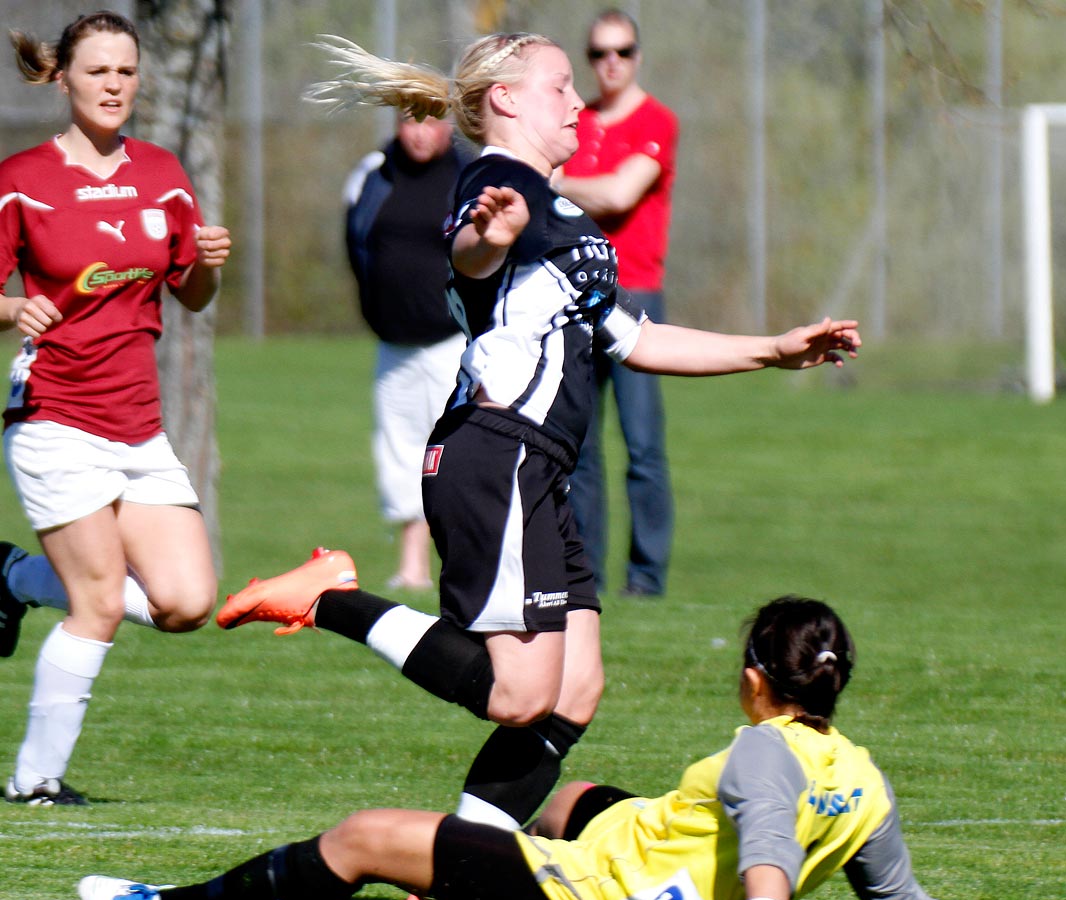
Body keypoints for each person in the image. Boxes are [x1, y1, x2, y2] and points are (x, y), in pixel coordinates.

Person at [213, 32, 859, 854]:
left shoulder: (566, 215)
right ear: (509, 101)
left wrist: (770, 349)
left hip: (537, 469)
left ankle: (453, 880)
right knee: (520, 695)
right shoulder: (497, 179)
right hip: (496, 451)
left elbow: (634, 339)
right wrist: (489, 233)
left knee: (574, 689)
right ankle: (326, 598)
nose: (578, 101)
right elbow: (473, 255)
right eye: (560, 85)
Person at [78, 596, 1066, 900]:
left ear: (751, 680)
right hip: (646, 857)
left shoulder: (762, 751)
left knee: (363, 838)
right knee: (567, 795)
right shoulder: (863, 779)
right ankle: (472, 875)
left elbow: (766, 833)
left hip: (594, 896)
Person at [0, 11, 232, 807]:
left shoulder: (163, 172)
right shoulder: (21, 180)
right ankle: (35, 782)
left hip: (137, 426)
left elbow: (192, 296)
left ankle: (13, 579)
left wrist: (207, 266)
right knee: (98, 602)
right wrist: (11, 311)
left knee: (187, 602)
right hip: (54, 416)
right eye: (97, 71)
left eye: (125, 72)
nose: (113, 86)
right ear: (62, 77)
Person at [554, 9, 676, 598]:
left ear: (638, 55)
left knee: (644, 445)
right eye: (600, 52)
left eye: (622, 51)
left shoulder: (657, 121)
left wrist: (556, 185)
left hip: (636, 293)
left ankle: (646, 580)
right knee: (578, 449)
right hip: (578, 291)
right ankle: (588, 578)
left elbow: (620, 193)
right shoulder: (578, 121)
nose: (611, 63)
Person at [344, 112, 469, 591]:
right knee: (398, 453)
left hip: (451, 342)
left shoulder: (467, 176)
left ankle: (457, 562)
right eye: (409, 121)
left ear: (449, 124)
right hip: (393, 343)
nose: (419, 132)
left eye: (431, 120)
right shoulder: (375, 172)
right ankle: (411, 566)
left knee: (454, 452)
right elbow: (355, 242)